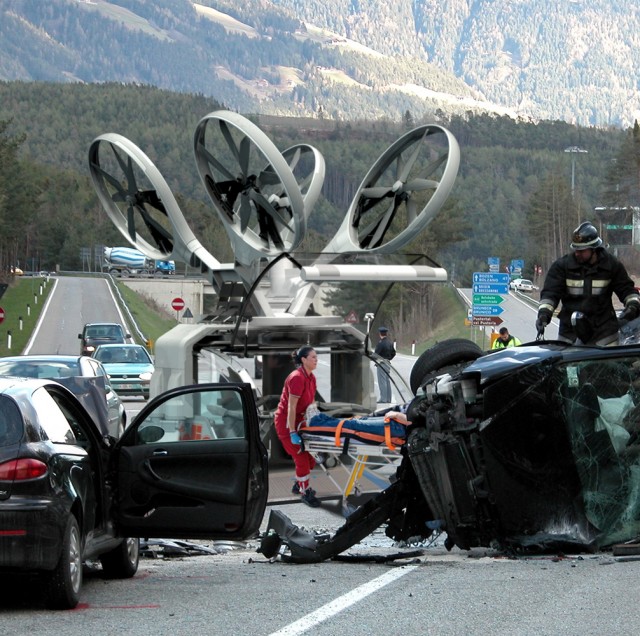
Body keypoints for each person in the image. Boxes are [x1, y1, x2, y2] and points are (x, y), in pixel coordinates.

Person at [536, 221, 640, 345]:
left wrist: (632, 306)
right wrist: (544, 314)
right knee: (567, 364)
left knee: (607, 365)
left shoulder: (611, 265)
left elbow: (626, 289)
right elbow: (550, 293)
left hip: (603, 332)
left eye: (582, 250)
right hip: (570, 332)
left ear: (594, 249)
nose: (577, 253)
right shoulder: (562, 267)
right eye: (575, 249)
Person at [273, 346, 322, 507]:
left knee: (310, 459)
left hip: (301, 422)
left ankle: (299, 484)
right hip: (287, 424)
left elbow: (311, 403)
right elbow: (291, 407)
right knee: (301, 458)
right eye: (313, 357)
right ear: (303, 360)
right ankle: (304, 492)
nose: (316, 360)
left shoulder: (311, 378)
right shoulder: (297, 378)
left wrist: (314, 419)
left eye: (316, 357)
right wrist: (293, 431)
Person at [374, 326, 396, 403]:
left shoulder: (381, 343)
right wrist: (389, 358)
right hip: (387, 363)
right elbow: (394, 353)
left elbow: (376, 354)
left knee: (382, 381)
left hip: (381, 363)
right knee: (387, 381)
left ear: (380, 334)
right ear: (386, 333)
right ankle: (388, 398)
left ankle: (383, 399)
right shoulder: (389, 343)